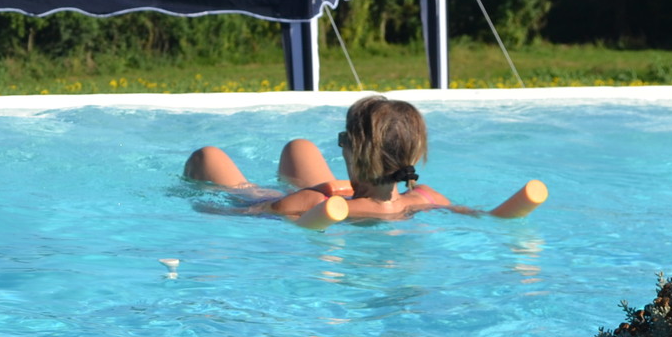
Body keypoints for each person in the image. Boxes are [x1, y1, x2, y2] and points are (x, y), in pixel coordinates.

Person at [182, 94, 545, 227]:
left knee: (208, 157)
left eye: (343, 141)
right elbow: (481, 216)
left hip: (271, 199)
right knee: (299, 147)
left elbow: (242, 214)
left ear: (356, 152)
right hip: (353, 194)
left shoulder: (316, 203)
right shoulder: (428, 198)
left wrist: (199, 205)